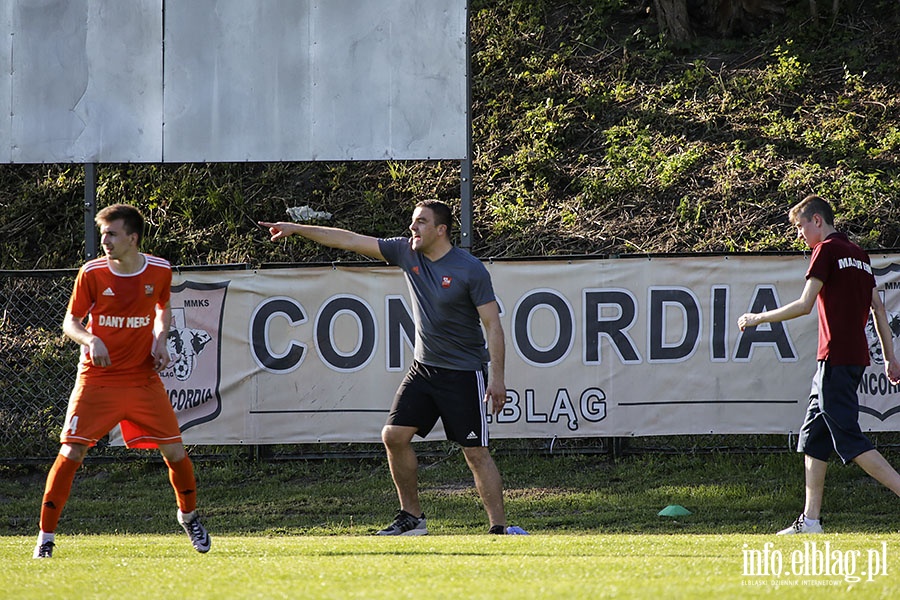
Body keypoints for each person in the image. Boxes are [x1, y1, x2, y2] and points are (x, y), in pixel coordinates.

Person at [260, 200, 522, 535]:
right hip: (424, 368)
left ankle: (499, 529)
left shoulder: (470, 269)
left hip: (463, 372)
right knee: (393, 436)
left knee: (475, 452)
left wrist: (496, 379)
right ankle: (412, 518)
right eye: (413, 221)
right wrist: (297, 229)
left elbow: (493, 326)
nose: (413, 228)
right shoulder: (406, 252)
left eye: (421, 223)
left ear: (441, 230)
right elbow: (350, 240)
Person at [33, 204, 210, 558]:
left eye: (112, 234)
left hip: (143, 379)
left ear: (133, 237)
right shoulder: (92, 273)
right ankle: (45, 538)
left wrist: (160, 339)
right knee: (71, 451)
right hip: (98, 379)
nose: (105, 241)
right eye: (103, 235)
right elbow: (71, 323)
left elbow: (163, 308)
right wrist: (90, 339)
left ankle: (188, 517)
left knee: (175, 452)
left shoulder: (159, 270)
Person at [738, 195, 900, 534]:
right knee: (813, 438)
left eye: (800, 227)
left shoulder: (825, 250)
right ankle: (810, 521)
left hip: (835, 357)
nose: (799, 235)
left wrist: (758, 317)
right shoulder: (859, 254)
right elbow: (879, 311)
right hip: (851, 358)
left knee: (850, 440)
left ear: (817, 221)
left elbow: (804, 304)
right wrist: (890, 358)